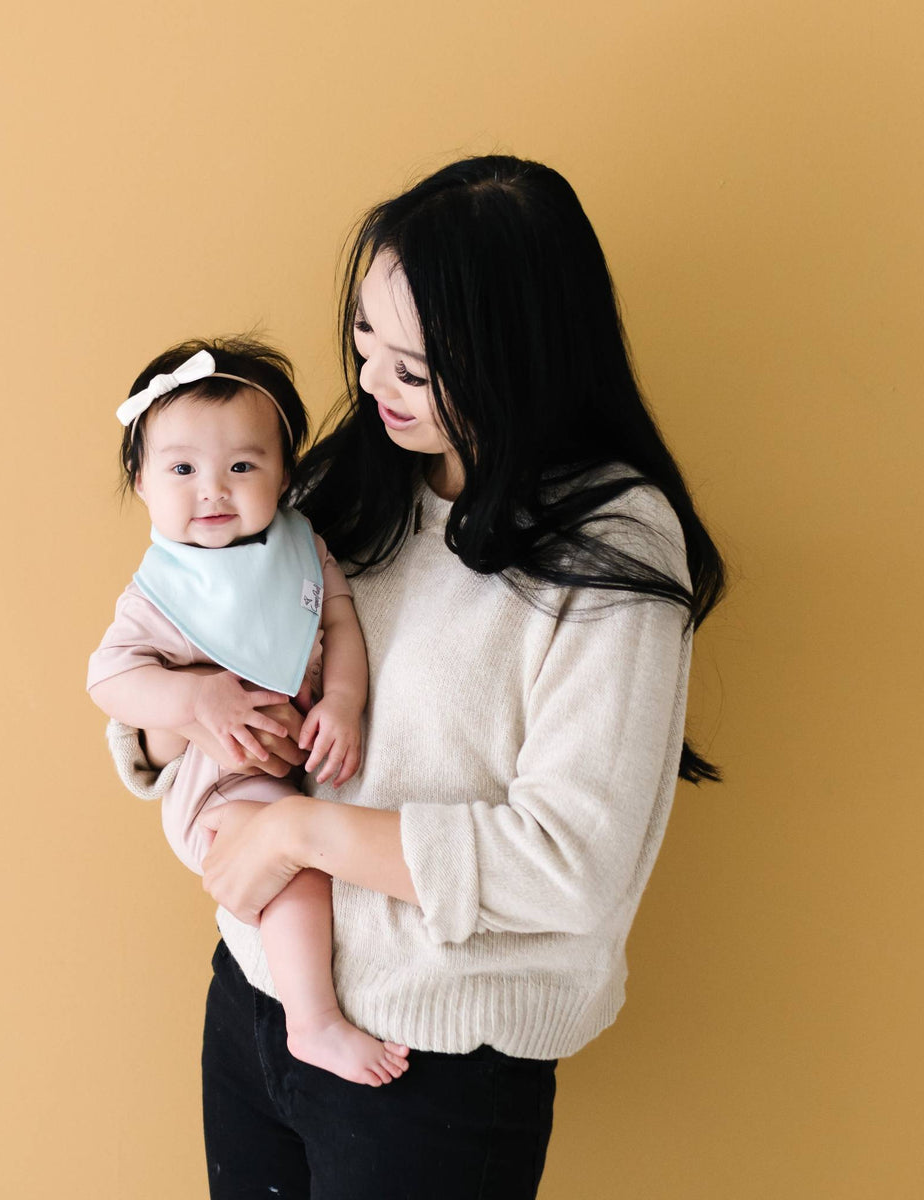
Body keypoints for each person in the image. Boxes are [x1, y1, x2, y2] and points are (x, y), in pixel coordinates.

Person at [107, 156, 727, 1200]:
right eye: (364, 343)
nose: (372, 388)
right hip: (254, 1003)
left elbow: (574, 864)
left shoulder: (615, 543)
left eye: (415, 367)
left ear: (517, 357)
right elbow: (181, 647)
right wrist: (183, 720)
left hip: (431, 1076)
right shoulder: (348, 480)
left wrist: (298, 832)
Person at [87, 338, 410, 1086]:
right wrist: (195, 696)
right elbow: (109, 678)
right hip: (222, 788)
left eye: (242, 465)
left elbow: (339, 624)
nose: (213, 491)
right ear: (142, 480)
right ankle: (313, 1023)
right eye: (181, 469)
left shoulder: (301, 548)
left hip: (299, 770)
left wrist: (347, 699)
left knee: (305, 848)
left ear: (285, 473)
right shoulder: (162, 592)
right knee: (297, 871)